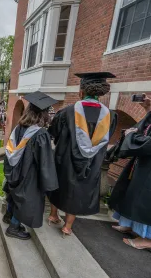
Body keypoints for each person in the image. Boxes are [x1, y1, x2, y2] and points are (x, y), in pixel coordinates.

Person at [48, 72, 117, 237]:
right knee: (79, 190)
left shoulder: (67, 113)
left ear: (81, 91)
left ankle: (53, 215)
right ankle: (68, 226)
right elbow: (107, 138)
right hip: (91, 162)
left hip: (65, 159)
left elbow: (54, 133)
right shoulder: (111, 116)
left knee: (59, 185)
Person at [3, 91, 59, 240]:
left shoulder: (19, 127)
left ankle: (9, 217)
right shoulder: (40, 134)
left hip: (15, 170)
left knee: (14, 196)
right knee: (25, 200)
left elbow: (10, 151)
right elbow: (44, 161)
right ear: (43, 114)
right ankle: (13, 227)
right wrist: (49, 182)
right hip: (29, 174)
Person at [109, 93, 151, 250]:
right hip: (145, 163)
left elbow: (147, 142)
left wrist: (132, 136)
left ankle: (148, 240)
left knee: (146, 201)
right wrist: (148, 109)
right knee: (136, 195)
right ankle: (132, 227)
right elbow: (145, 129)